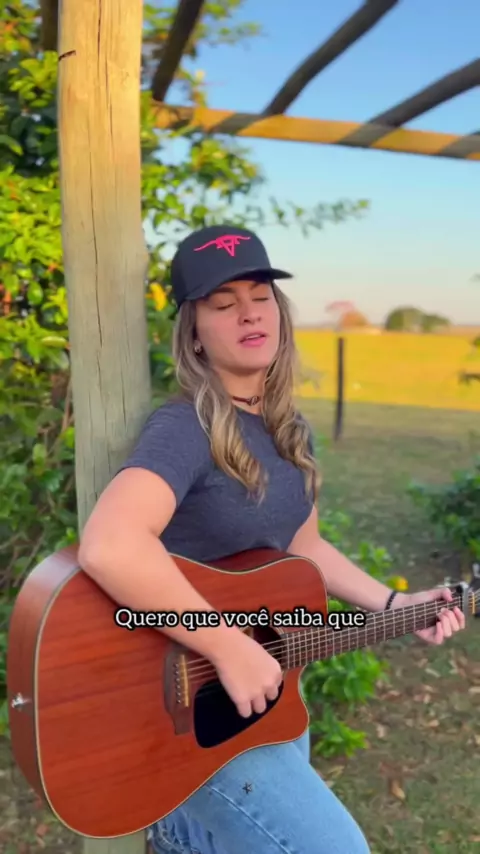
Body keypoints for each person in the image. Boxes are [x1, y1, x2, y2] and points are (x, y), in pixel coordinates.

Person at [78, 224, 465, 854]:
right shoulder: (185, 427)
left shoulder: (289, 429)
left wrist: (397, 604)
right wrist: (226, 645)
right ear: (194, 333)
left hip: (266, 689)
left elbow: (303, 546)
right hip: (183, 709)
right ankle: (176, 822)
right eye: (223, 303)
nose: (249, 313)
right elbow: (110, 544)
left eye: (260, 296)